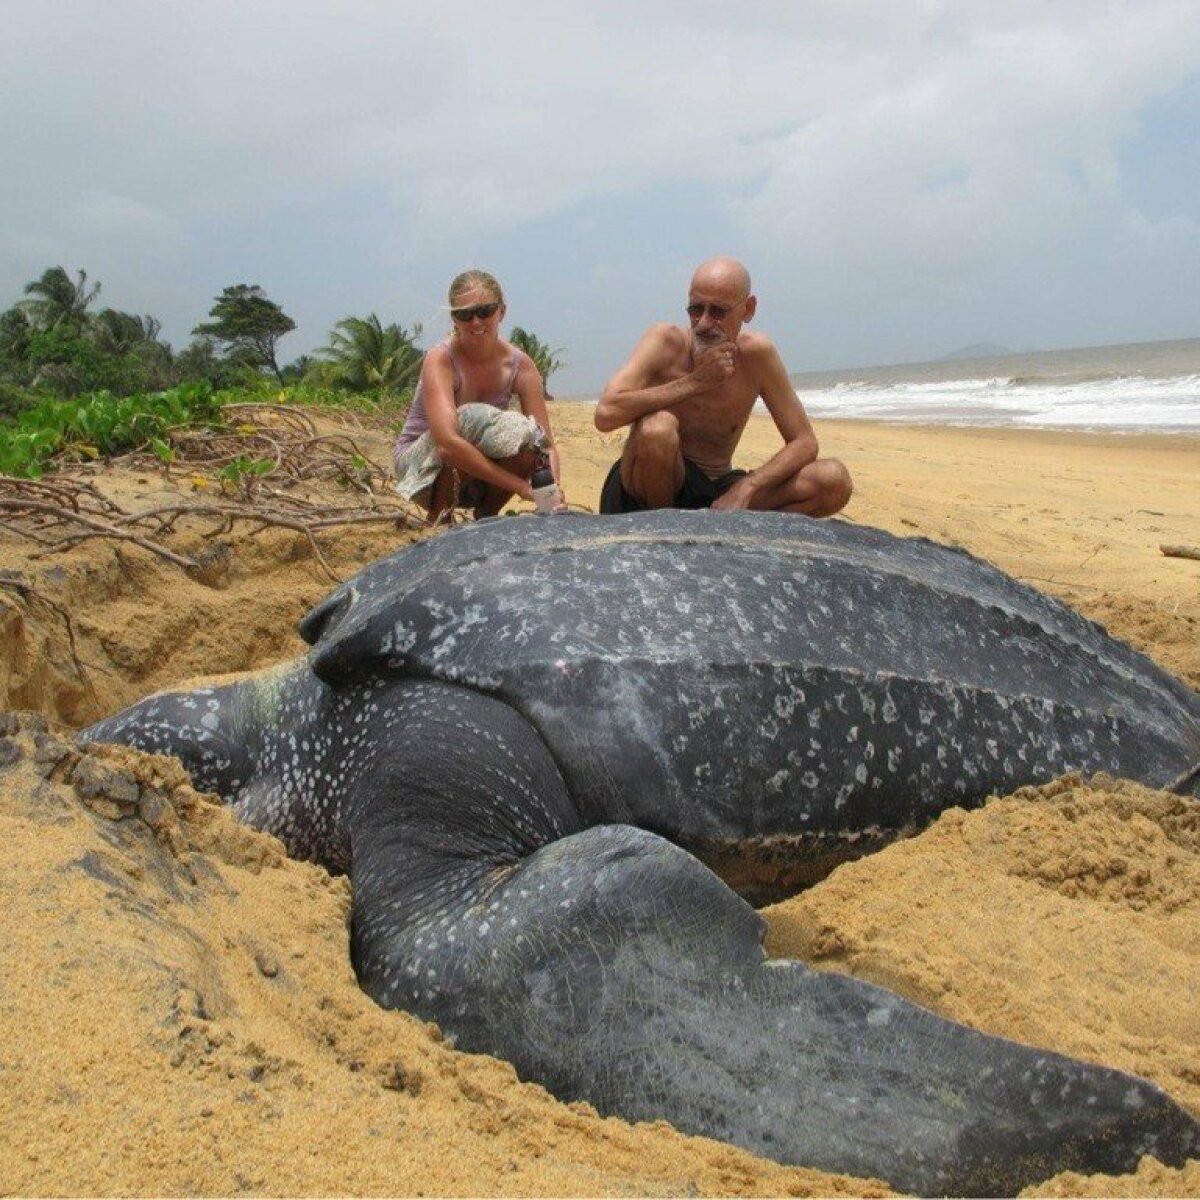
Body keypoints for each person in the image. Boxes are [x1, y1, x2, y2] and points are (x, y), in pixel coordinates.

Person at [594, 257, 851, 516]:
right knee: (657, 429)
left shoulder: (756, 355)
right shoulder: (664, 341)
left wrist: (747, 487)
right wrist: (696, 382)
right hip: (649, 488)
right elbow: (605, 415)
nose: (704, 323)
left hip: (716, 491)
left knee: (832, 480)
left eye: (718, 312)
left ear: (748, 309)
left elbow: (804, 442)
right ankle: (666, 530)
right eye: (696, 309)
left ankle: (705, 523)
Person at [394, 270, 564, 522]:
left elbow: (545, 443)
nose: (475, 322)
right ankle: (439, 518)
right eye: (465, 314)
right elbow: (448, 445)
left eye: (484, 311)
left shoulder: (521, 366)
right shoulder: (441, 358)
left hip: (476, 476)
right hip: (420, 473)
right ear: (455, 319)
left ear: (501, 312)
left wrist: (551, 492)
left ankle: (486, 515)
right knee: (470, 419)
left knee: (531, 440)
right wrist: (523, 489)